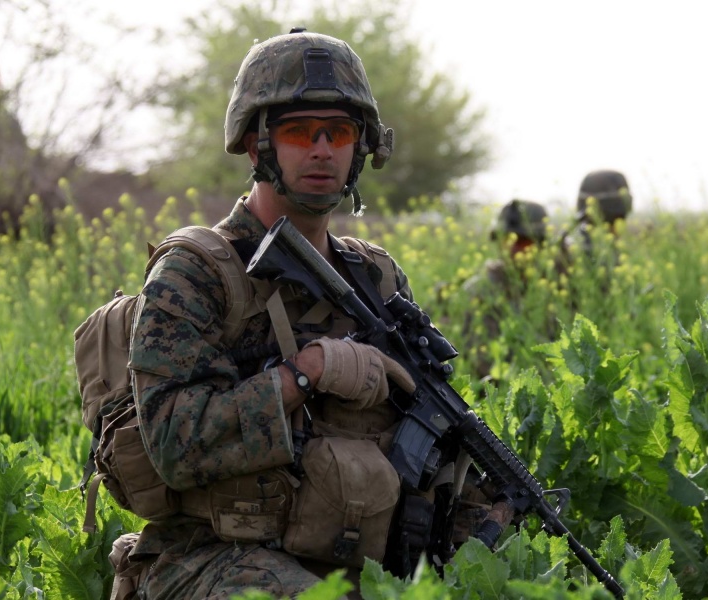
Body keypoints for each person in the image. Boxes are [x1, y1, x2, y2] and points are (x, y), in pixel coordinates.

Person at [107, 29, 489, 599]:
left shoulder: (377, 279)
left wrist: (485, 525)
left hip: (357, 560)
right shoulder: (198, 273)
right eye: (297, 131)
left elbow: (430, 443)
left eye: (338, 132)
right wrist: (307, 372)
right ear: (258, 144)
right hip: (209, 558)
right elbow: (174, 447)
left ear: (361, 148)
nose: (321, 149)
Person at [457, 199, 554, 381]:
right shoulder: (480, 291)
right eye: (507, 241)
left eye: (523, 243)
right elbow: (479, 361)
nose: (514, 250)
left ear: (541, 245)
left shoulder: (551, 288)